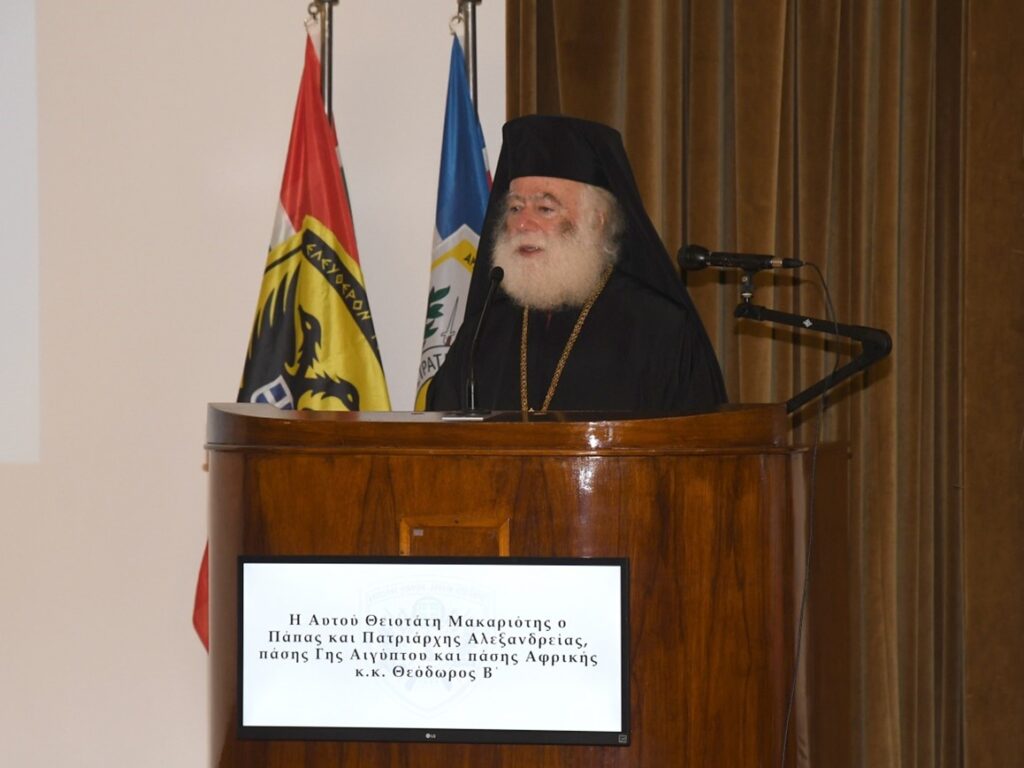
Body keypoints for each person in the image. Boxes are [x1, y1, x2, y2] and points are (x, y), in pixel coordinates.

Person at [426, 114, 726, 413]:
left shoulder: (660, 329)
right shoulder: (482, 333)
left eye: (545, 208)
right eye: (515, 207)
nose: (522, 224)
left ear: (596, 221)